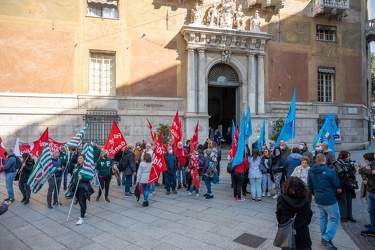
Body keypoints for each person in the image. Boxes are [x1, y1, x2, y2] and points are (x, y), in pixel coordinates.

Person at [307, 153, 341, 250]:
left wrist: (314, 194)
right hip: (329, 199)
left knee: (323, 218)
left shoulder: (311, 170)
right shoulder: (329, 171)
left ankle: (324, 237)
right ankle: (326, 238)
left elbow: (309, 185)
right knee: (335, 218)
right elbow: (336, 184)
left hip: (318, 198)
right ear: (325, 160)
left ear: (316, 161)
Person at [276, 177, 313, 250]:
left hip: (287, 235)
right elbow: (308, 218)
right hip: (303, 234)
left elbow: (279, 217)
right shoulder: (306, 200)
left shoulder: (281, 199)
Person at [70, 154, 93, 225]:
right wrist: (71, 183)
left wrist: (82, 178)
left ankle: (81, 217)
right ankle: (84, 211)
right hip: (76, 186)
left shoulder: (86, 167)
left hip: (83, 186)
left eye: (81, 158)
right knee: (79, 201)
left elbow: (90, 176)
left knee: (82, 201)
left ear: (84, 159)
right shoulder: (77, 167)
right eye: (78, 158)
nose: (79, 159)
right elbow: (74, 176)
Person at [335, 151, 357, 223]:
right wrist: (338, 186)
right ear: (343, 156)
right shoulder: (337, 163)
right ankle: (343, 216)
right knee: (342, 200)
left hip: (349, 184)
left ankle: (349, 215)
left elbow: (353, 171)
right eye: (347, 156)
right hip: (342, 184)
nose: (349, 157)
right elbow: (336, 175)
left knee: (349, 199)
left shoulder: (350, 163)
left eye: (349, 156)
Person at [358, 153, 375, 236]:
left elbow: (371, 173)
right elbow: (365, 172)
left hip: (373, 190)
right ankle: (373, 226)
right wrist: (369, 172)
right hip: (370, 190)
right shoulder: (372, 164)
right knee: (371, 210)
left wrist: (368, 172)